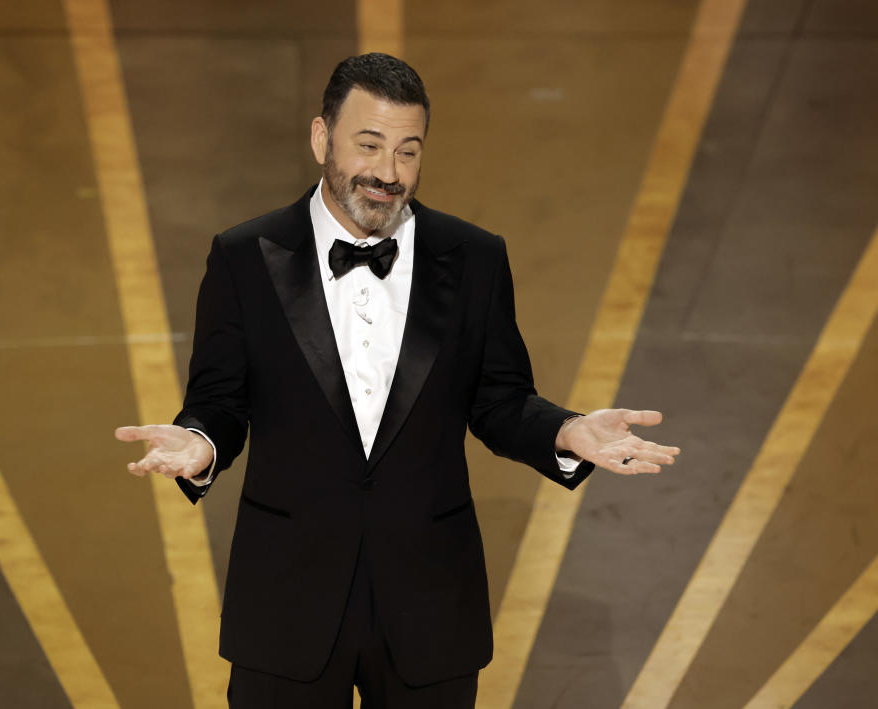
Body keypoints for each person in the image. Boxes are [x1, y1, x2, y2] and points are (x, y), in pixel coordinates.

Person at [115, 53, 679, 708]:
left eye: (408, 151)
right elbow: (219, 400)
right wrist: (200, 443)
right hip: (288, 602)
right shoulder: (244, 256)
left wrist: (568, 430)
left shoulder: (474, 257)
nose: (388, 172)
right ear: (322, 137)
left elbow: (498, 399)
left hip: (430, 603)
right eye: (370, 144)